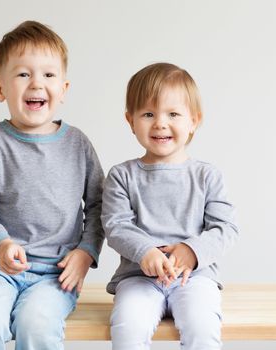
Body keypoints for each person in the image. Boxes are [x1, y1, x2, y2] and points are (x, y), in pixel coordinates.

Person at [0, 20, 105, 350]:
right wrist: (0, 243)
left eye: (48, 75)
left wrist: (86, 253)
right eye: (23, 74)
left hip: (57, 275)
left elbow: (99, 206)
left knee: (36, 324)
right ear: (0, 89)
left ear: (64, 89)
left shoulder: (78, 144)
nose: (36, 83)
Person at [102, 62, 239, 350]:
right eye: (148, 114)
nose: (160, 123)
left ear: (194, 120)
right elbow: (116, 226)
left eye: (173, 114)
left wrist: (191, 251)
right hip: (138, 278)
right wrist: (145, 252)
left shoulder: (207, 176)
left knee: (202, 328)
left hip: (195, 278)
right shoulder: (122, 175)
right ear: (130, 121)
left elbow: (225, 228)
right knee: (128, 328)